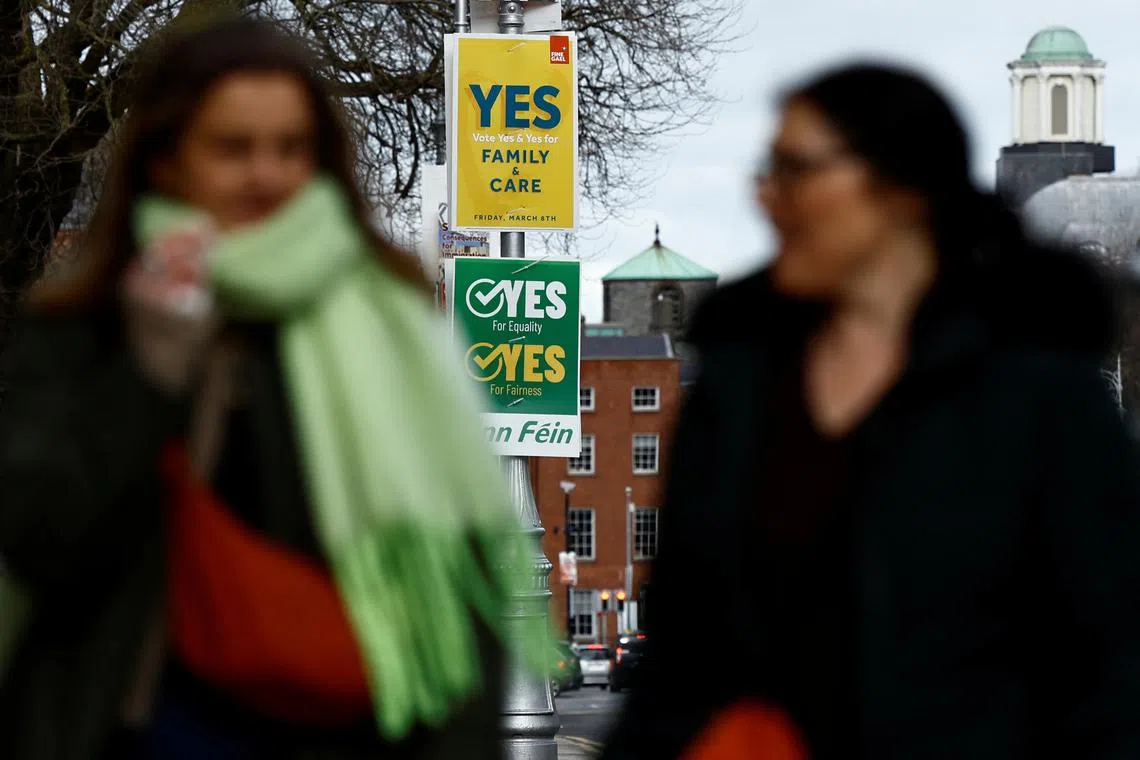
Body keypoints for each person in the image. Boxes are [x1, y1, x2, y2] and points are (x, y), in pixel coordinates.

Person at [0, 16, 544, 760]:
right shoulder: (84, 325)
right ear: (165, 161)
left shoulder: (391, 322)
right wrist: (149, 371)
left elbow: (459, 595)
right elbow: (39, 538)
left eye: (292, 149)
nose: (268, 175)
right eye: (234, 149)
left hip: (345, 729)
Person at [602, 63, 1140, 759]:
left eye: (795, 169)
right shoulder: (738, 386)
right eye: (767, 170)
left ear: (900, 191)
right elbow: (680, 668)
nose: (768, 197)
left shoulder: (1039, 393)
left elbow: (1110, 665)